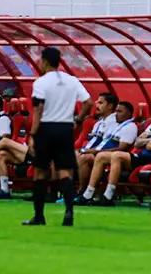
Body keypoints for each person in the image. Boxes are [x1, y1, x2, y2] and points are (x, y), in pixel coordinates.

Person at [25, 46, 91, 226]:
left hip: (46, 129)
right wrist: (78, 119)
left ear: (44, 62)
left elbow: (38, 109)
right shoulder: (72, 80)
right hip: (65, 129)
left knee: (40, 171)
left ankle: (39, 216)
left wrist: (32, 134)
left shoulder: (40, 83)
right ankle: (69, 212)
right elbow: (88, 102)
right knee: (65, 171)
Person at [83, 92, 151, 206]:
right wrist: (149, 140)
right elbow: (137, 143)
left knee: (118, 155)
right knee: (101, 156)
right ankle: (87, 194)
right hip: (144, 156)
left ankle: (108, 196)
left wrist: (147, 139)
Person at [77, 99, 138, 205]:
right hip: (104, 154)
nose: (116, 115)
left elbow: (122, 148)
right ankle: (86, 194)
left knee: (90, 157)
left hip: (121, 157)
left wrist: (95, 151)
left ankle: (91, 193)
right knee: (79, 155)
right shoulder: (115, 125)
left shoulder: (130, 126)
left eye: (120, 112)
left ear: (128, 113)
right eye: (116, 111)